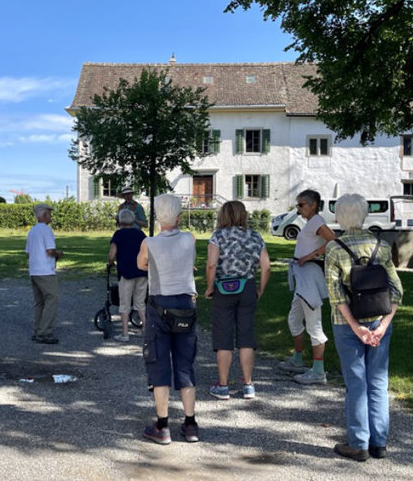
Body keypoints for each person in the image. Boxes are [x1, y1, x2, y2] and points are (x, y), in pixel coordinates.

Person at [325, 194, 403, 461]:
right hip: (380, 319)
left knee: (356, 382)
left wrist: (357, 329)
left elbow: (336, 296)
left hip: (347, 324)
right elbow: (397, 291)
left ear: (339, 217)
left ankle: (358, 443)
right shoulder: (381, 245)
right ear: (365, 214)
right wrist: (382, 326)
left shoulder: (334, 248)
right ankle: (379, 442)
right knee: (378, 381)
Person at [137, 194, 199, 444]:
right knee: (185, 364)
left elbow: (140, 265)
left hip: (159, 306)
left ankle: (162, 426)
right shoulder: (189, 238)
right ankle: (190, 423)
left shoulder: (148, 242)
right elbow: (189, 262)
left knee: (159, 362)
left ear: (156, 216)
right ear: (179, 216)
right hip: (185, 304)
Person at [204, 201, 270, 400]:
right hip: (247, 286)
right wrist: (260, 288)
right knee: (246, 336)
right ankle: (248, 384)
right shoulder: (255, 236)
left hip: (224, 288)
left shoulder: (217, 237)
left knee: (223, 337)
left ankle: (223, 386)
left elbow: (211, 264)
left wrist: (209, 287)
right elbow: (266, 267)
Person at [278, 189, 336, 386]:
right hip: (302, 277)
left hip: (309, 277)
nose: (298, 209)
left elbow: (334, 241)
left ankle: (318, 371)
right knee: (294, 319)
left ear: (313, 205)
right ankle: (297, 359)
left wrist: (312, 256)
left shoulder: (318, 222)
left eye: (301, 204)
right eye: (298, 205)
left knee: (313, 324)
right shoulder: (311, 223)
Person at [107, 209, 148, 342]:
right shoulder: (140, 234)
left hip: (126, 272)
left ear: (120, 221)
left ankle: (125, 333)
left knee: (124, 303)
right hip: (142, 272)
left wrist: (110, 263)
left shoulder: (118, 235)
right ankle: (145, 329)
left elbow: (112, 255)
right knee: (140, 302)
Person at [26, 203, 63, 344]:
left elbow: (27, 253)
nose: (51, 216)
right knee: (51, 299)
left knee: (39, 302)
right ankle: (45, 332)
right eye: (49, 213)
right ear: (44, 215)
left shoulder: (32, 231)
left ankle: (36, 330)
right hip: (45, 271)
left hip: (34, 270)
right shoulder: (46, 230)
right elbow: (50, 251)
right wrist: (58, 253)